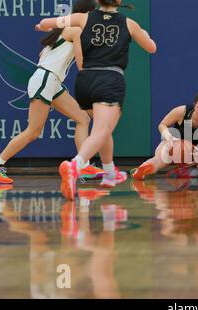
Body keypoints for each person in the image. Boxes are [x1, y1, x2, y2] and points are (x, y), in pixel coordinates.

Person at [36, 0, 157, 200]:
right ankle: (75, 166)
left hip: (84, 81)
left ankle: (109, 172)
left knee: (103, 128)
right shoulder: (129, 23)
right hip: (109, 79)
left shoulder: (82, 18)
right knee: (102, 129)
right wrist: (144, 33)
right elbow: (152, 48)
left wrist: (42, 26)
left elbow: (48, 22)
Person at [0, 0, 102, 185]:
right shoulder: (75, 31)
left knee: (83, 118)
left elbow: (44, 55)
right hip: (46, 80)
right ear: (86, 13)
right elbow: (82, 66)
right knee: (33, 132)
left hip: (51, 82)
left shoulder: (62, 31)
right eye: (92, 15)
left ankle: (83, 166)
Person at [131, 90, 198, 180]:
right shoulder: (181, 112)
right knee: (160, 158)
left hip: (197, 151)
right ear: (194, 105)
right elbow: (162, 125)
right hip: (177, 147)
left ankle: (190, 172)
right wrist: (169, 137)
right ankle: (142, 170)